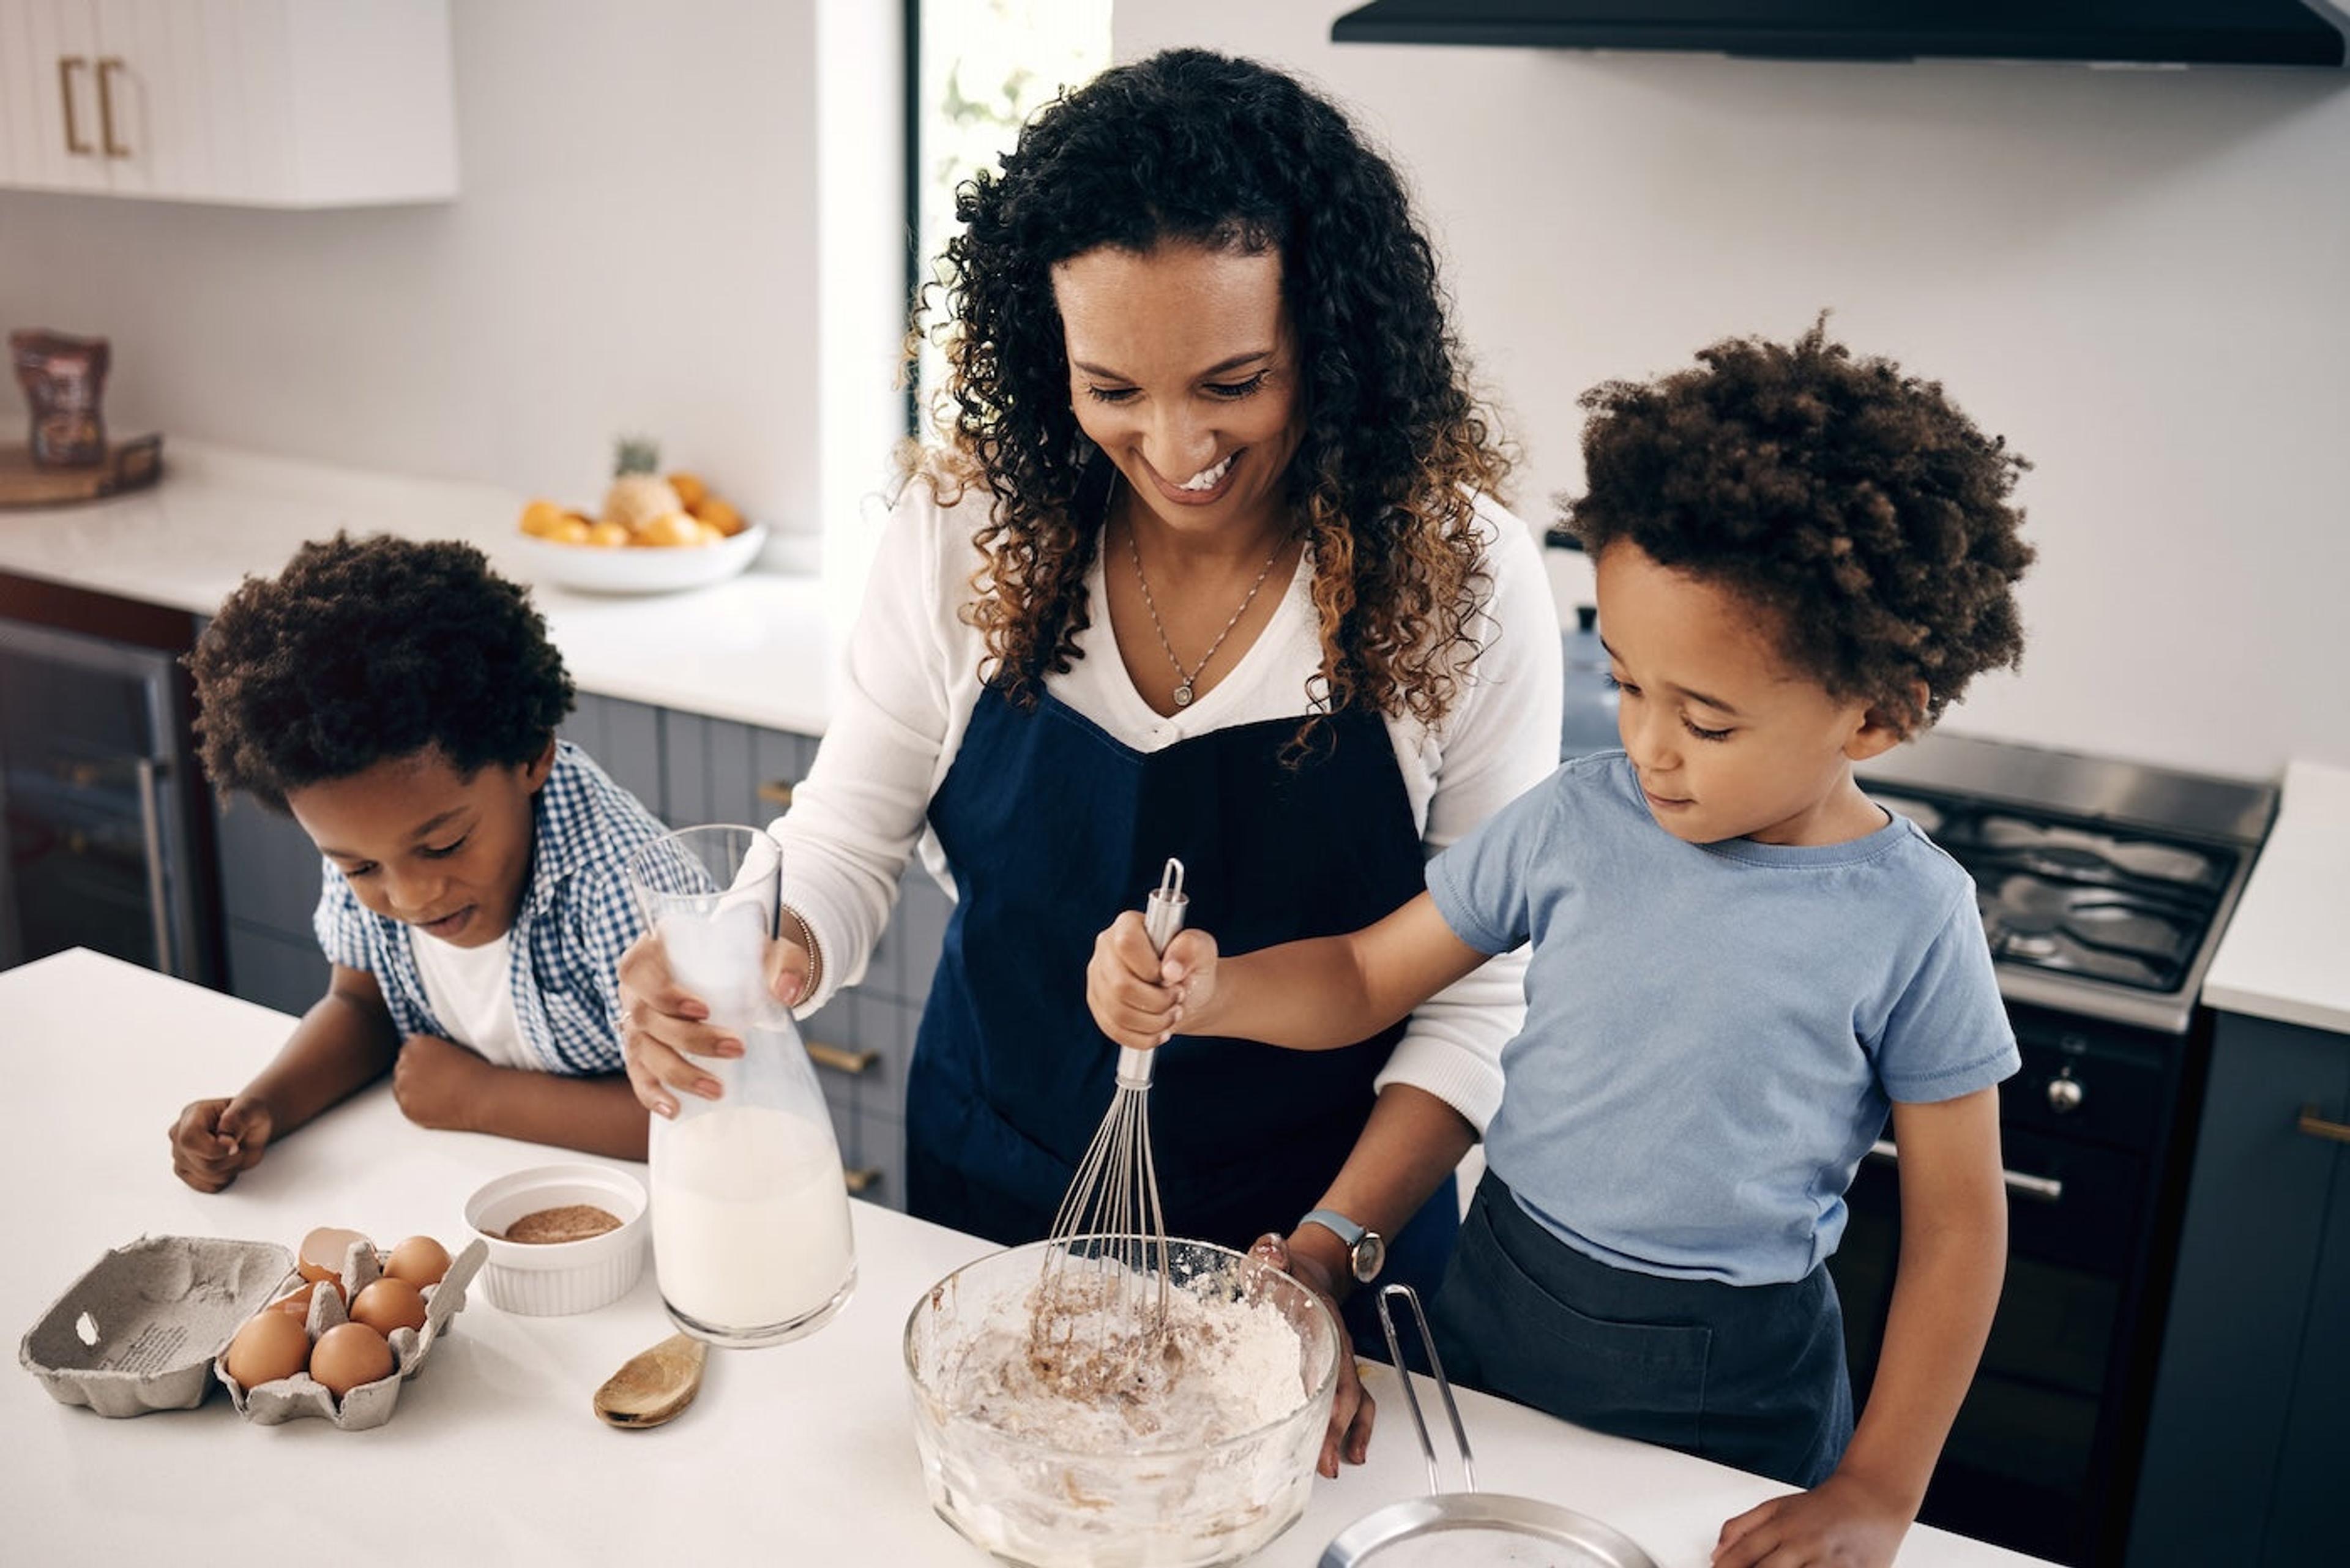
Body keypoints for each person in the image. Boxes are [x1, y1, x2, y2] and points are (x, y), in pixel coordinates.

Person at [617, 48, 1561, 1473]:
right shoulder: (965, 531)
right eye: (1110, 386)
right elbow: (848, 832)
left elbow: (1482, 987)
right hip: (998, 1188)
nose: (1173, 446)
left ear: (1331, 335)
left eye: (1231, 382)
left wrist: (1321, 1256)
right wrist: (752, 953)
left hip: (1319, 1228)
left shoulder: (1456, 578)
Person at [1089, 322, 2035, 1567]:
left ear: (1877, 714)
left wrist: (1878, 1490)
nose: (1647, 746)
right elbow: (1370, 974)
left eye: (1703, 717)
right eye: (1628, 682)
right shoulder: (1578, 820)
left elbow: (1961, 1229)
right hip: (1494, 1316)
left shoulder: (1913, 917)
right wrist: (1209, 988)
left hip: (1736, 1388)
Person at [168, 534, 668, 1192]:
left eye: (443, 846)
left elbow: (705, 1111)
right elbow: (360, 1006)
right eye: (359, 870)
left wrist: (482, 1099)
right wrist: (264, 1106)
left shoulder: (620, 886)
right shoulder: (373, 834)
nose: (408, 895)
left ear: (531, 756)